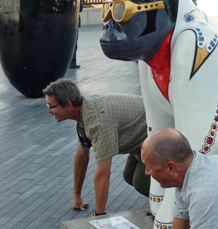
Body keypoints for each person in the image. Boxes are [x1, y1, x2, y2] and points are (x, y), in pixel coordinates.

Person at [43, 78, 149, 215]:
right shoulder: (83, 111)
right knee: (129, 176)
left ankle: (174, 209)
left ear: (68, 105)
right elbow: (81, 156)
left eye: (51, 106)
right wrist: (77, 194)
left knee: (141, 182)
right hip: (139, 138)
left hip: (156, 134)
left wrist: (98, 216)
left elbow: (103, 173)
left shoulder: (98, 122)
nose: (49, 111)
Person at [69, 2, 83, 69]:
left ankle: (72, 62)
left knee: (74, 45)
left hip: (73, 23)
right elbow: (80, 8)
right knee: (73, 45)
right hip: (72, 23)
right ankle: (72, 62)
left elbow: (80, 8)